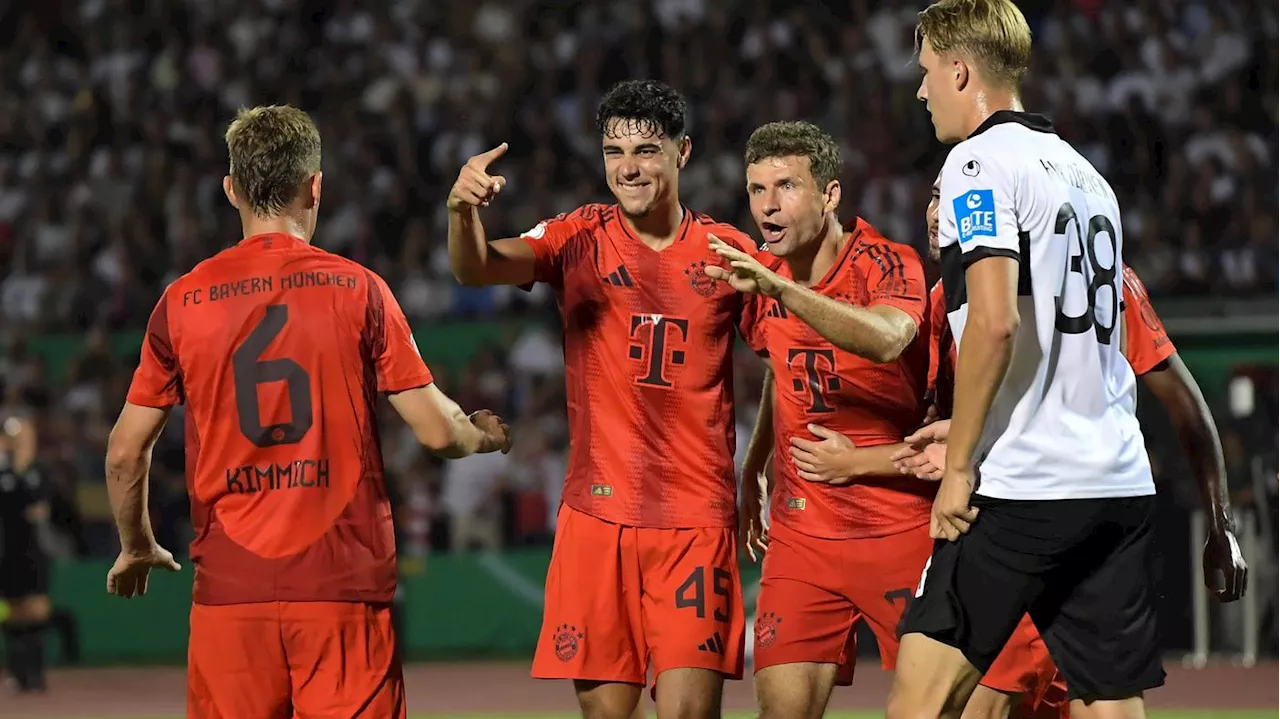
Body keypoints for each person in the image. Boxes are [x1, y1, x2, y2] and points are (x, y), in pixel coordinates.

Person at [888, 1, 1247, 717]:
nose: (921, 91)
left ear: (960, 70)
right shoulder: (1088, 178)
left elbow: (995, 321)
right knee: (1109, 703)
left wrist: (960, 467)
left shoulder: (977, 161)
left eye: (927, 73)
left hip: (1027, 484)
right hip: (1115, 482)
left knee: (919, 704)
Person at [104, 105, 511, 719]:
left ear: (231, 190)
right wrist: (482, 437)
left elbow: (125, 450)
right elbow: (435, 430)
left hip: (230, 596)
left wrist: (136, 545)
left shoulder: (181, 301)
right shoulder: (360, 288)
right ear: (314, 186)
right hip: (340, 588)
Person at [446, 79, 759, 719]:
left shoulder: (728, 254)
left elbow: (787, 354)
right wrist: (461, 212)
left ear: (683, 152)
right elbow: (477, 268)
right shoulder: (576, 237)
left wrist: (757, 465)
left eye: (646, 149)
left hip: (695, 523)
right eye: (614, 152)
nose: (629, 167)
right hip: (597, 521)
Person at [702, 120, 936, 719]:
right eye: (756, 190)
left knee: (941, 709)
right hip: (802, 536)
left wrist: (783, 292)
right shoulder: (762, 277)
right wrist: (756, 463)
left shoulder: (889, 262)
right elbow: (784, 370)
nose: (767, 206)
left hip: (901, 526)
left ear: (830, 194)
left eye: (786, 186)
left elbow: (888, 338)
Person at [0, 411, 50, 694]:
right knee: (14, 610)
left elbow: (42, 507)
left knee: (37, 607)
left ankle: (36, 674)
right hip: (8, 549)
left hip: (35, 549)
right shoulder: (4, 473)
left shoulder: (38, 470)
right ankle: (19, 673)